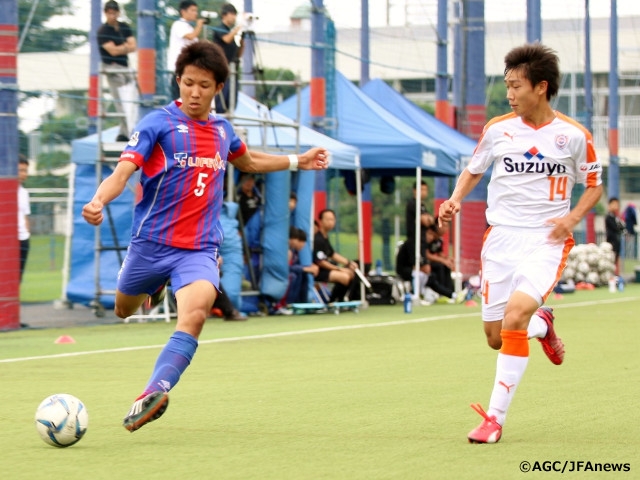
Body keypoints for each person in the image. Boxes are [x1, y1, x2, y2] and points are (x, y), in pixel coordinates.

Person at [81, 40, 329, 432]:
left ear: (218, 89)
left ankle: (152, 392)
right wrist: (97, 200)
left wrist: (299, 160)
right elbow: (122, 173)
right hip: (150, 246)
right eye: (189, 83)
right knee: (123, 310)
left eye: (205, 85)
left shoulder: (221, 130)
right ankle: (155, 287)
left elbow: (248, 161)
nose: (195, 92)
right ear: (178, 81)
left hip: (198, 248)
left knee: (195, 315)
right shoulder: (156, 124)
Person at [438, 43, 603, 444]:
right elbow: (474, 170)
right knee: (496, 337)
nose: (509, 94)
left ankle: (493, 420)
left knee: (514, 318)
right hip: (500, 241)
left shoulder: (574, 136)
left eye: (515, 86)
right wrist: (455, 199)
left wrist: (573, 217)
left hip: (546, 241)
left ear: (541, 87)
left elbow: (594, 186)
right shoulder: (498, 129)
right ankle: (542, 324)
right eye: (507, 86)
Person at [97, 0, 138, 142]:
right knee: (121, 102)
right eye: (109, 13)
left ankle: (124, 133)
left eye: (114, 13)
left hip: (125, 67)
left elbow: (134, 46)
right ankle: (126, 133)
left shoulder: (124, 27)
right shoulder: (103, 31)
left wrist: (121, 48)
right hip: (112, 68)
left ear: (118, 13)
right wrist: (125, 47)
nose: (112, 16)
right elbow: (112, 51)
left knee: (132, 100)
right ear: (105, 13)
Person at [395, 227, 465, 304]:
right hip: (406, 270)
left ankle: (452, 295)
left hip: (418, 271)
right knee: (422, 275)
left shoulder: (425, 244)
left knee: (432, 278)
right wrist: (423, 267)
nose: (431, 238)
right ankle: (415, 295)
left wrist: (446, 259)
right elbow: (414, 262)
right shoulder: (413, 244)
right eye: (430, 235)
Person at [313, 209, 357, 303]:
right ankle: (333, 301)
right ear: (321, 221)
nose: (330, 222)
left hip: (325, 270)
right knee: (344, 277)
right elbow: (320, 262)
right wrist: (339, 269)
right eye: (328, 219)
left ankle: (339, 300)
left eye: (332, 219)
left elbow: (332, 254)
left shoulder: (325, 237)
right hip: (318, 271)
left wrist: (349, 263)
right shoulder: (318, 239)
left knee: (351, 273)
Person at [167, 0, 206, 101]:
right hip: (179, 70)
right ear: (183, 12)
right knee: (179, 101)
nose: (195, 13)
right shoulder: (179, 24)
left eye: (196, 11)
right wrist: (199, 25)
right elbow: (191, 36)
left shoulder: (188, 27)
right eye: (192, 10)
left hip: (188, 70)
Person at [274, 227, 319, 312]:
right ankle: (287, 304)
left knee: (302, 274)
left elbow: (296, 265)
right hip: (281, 275)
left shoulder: (294, 252)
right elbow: (286, 268)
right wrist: (304, 268)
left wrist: (308, 267)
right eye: (294, 239)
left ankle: (302, 304)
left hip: (290, 273)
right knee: (294, 276)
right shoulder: (286, 251)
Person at [211, 2, 245, 113]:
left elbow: (237, 54)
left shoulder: (230, 32)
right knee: (221, 101)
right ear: (225, 15)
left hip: (233, 69)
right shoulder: (220, 29)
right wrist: (237, 29)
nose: (234, 17)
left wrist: (242, 41)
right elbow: (226, 39)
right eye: (232, 14)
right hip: (222, 70)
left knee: (231, 101)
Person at [18, 154, 31, 282]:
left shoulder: (24, 193)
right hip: (5, 240)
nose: (23, 174)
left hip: (22, 240)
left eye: (25, 171)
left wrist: (27, 234)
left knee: (18, 277)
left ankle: (14, 302)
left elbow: (25, 215)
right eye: (20, 170)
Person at [605, 197, 626, 273]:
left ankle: (616, 276)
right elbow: (615, 228)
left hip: (617, 241)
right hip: (611, 242)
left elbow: (622, 228)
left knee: (616, 259)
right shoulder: (609, 217)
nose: (616, 206)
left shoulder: (616, 217)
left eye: (617, 204)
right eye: (614, 204)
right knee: (611, 260)